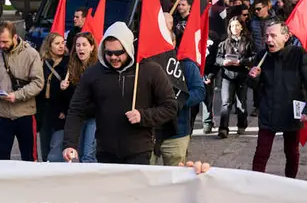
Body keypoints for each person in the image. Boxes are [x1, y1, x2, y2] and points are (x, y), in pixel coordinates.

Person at [61, 22, 179, 165]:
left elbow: (170, 106)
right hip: (106, 152)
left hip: (139, 151)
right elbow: (76, 110)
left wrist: (143, 115)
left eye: (119, 53)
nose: (113, 58)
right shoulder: (93, 73)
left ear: (129, 49)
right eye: (109, 53)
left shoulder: (150, 70)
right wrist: (70, 144)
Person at [247, 21, 307, 178]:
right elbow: (253, 85)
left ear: (286, 37)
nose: (269, 40)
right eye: (266, 36)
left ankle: (290, 183)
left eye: (273, 36)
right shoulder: (262, 55)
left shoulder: (298, 55)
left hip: (291, 111)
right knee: (261, 152)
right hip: (269, 110)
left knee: (292, 153)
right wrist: (254, 77)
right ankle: (255, 184)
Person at [0, 22, 45, 160]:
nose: (1, 45)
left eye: (5, 41)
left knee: (29, 158)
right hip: (2, 115)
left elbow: (38, 83)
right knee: (2, 158)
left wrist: (16, 96)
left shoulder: (31, 54)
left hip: (25, 115)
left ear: (15, 37)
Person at [158, 13, 205, 166]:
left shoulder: (186, 65)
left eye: (167, 41)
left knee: (176, 180)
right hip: (150, 133)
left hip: (177, 133)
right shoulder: (146, 65)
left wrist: (177, 101)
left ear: (174, 42)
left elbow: (199, 92)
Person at [216, 16, 255, 138]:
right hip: (227, 75)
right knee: (226, 103)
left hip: (241, 75)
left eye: (237, 25)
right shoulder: (224, 43)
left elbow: (254, 58)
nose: (235, 28)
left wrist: (242, 62)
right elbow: (217, 58)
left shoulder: (248, 42)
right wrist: (223, 62)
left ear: (241, 27)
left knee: (241, 103)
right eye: (232, 26)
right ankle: (223, 128)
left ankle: (242, 125)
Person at [36, 32, 72, 162]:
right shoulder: (42, 63)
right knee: (45, 149)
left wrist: (64, 110)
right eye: (57, 43)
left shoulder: (69, 64)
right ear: (49, 46)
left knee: (56, 149)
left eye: (63, 43)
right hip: (44, 111)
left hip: (60, 112)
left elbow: (73, 91)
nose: (61, 46)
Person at [66, 31, 100, 162]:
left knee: (88, 154)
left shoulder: (98, 68)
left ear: (92, 47)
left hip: (94, 117)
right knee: (77, 154)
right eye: (78, 45)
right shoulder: (72, 66)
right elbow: (71, 99)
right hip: (79, 117)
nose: (81, 48)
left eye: (84, 45)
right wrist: (65, 88)